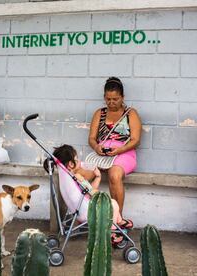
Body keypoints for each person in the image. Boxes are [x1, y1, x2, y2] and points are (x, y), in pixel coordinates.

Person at [47, 144, 134, 244]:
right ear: (71, 164)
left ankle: (119, 221)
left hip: (78, 211)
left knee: (112, 204)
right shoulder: (78, 177)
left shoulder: (67, 177)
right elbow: (91, 191)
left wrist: (97, 177)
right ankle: (111, 233)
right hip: (88, 211)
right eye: (77, 159)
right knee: (113, 204)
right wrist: (100, 194)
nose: (79, 161)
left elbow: (87, 191)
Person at [88, 77, 142, 218]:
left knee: (114, 175)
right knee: (81, 173)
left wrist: (119, 150)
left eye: (115, 99)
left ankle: (117, 218)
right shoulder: (99, 113)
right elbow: (92, 139)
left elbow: (136, 140)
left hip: (124, 153)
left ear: (123, 97)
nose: (111, 102)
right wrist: (96, 147)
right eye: (108, 99)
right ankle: (84, 215)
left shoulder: (131, 113)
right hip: (102, 155)